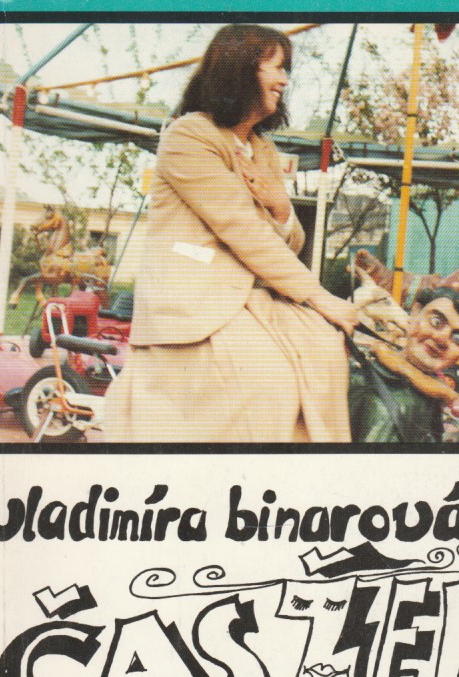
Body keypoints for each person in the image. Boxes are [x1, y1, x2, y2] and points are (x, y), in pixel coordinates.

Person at [105, 24, 356, 443]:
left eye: (286, 70)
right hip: (195, 301)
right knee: (271, 381)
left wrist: (281, 207)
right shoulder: (189, 135)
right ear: (239, 70)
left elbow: (286, 242)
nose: (284, 81)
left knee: (327, 355)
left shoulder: (263, 149)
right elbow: (242, 229)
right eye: (276, 67)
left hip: (250, 299)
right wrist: (319, 296)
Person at [349, 287, 459, 443]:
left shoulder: (432, 391)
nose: (441, 339)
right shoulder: (363, 381)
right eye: (436, 322)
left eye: (458, 339)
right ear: (415, 313)